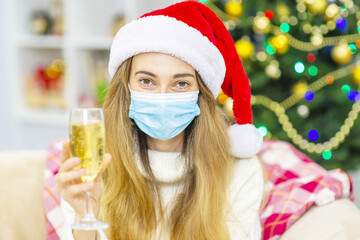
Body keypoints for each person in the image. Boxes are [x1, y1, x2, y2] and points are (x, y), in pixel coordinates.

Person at [55, 1, 267, 239]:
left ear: (201, 94)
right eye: (147, 81)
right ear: (125, 87)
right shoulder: (95, 164)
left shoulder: (240, 169)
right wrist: (85, 214)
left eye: (181, 83)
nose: (162, 97)